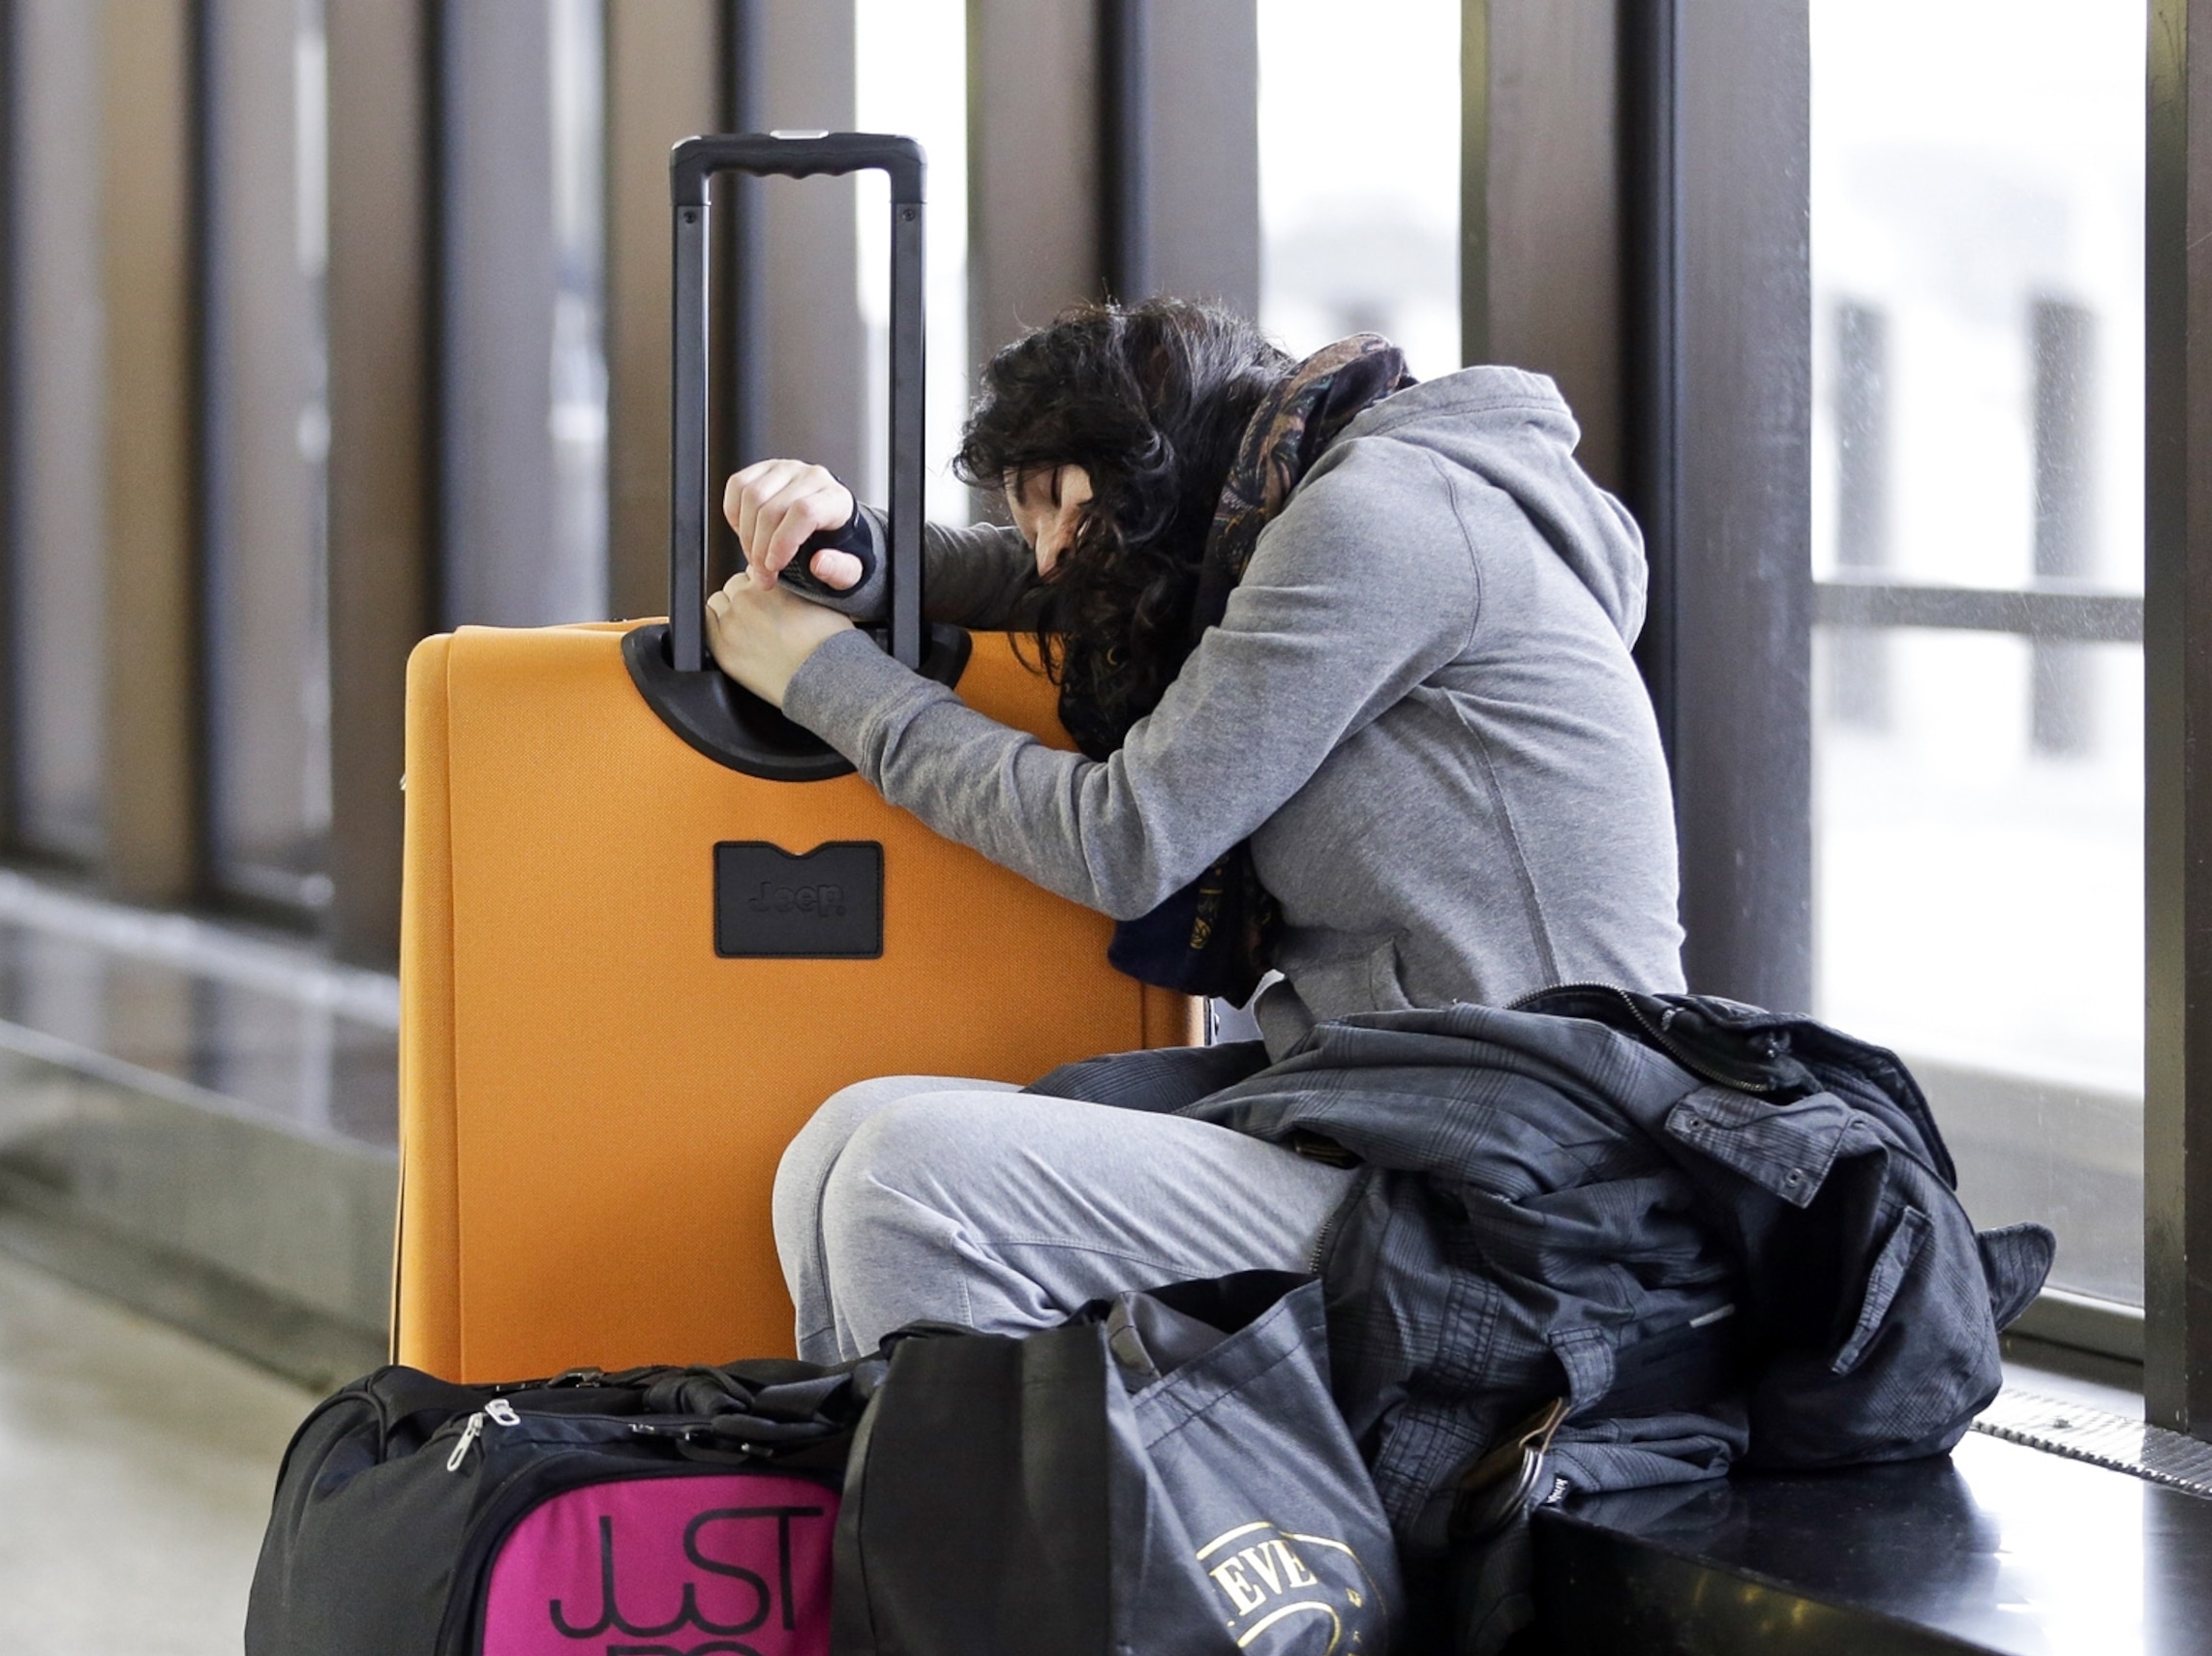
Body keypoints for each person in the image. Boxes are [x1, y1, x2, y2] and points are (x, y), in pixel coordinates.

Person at [699, 301, 1684, 1366]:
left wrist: (828, 683)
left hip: (1526, 1191)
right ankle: (915, 1515)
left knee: (908, 1172)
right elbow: (1042, 582)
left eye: (1054, 502)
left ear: (1146, 472)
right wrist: (848, 554)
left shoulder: (1384, 520)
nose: (1044, 554)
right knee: (844, 1139)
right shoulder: (1320, 518)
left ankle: (1000, 1527)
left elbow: (1128, 840)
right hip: (1388, 1121)